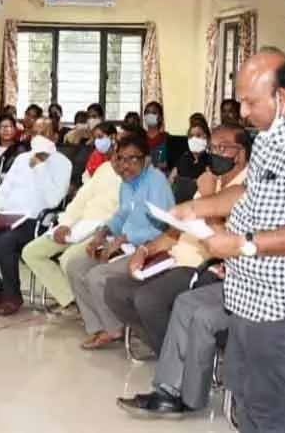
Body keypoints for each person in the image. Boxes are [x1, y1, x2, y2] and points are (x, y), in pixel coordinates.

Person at [171, 50, 285, 433]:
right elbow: (250, 192)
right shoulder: (268, 136)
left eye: (251, 100)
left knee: (270, 403)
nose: (243, 111)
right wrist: (198, 206)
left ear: (281, 96)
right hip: (249, 294)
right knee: (245, 394)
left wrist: (243, 244)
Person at [104, 124, 249, 354]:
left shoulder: (247, 186)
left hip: (205, 266)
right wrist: (146, 250)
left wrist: (209, 197)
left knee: (147, 300)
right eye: (213, 148)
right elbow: (176, 231)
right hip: (176, 257)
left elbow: (225, 238)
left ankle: (178, 361)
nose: (215, 154)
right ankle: (165, 348)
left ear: (240, 153)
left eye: (223, 148)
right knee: (115, 289)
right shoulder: (212, 178)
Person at [65, 130, 174, 350]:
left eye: (132, 159)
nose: (125, 165)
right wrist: (103, 232)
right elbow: (122, 215)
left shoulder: (156, 182)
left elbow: (164, 227)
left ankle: (113, 328)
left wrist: (126, 237)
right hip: (124, 245)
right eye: (121, 159)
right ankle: (99, 325)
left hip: (150, 250)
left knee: (97, 276)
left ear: (145, 158)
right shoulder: (127, 182)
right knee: (75, 266)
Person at [0, 118, 71, 315]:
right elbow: (5, 189)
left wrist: (40, 165)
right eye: (35, 133)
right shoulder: (21, 159)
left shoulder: (63, 164)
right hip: (6, 215)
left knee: (4, 243)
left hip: (35, 220)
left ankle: (13, 296)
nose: (39, 137)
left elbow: (53, 201)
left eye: (45, 133)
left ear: (55, 136)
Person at [22, 121, 120, 315]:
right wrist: (65, 223)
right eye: (96, 138)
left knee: (68, 260)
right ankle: (72, 300)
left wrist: (97, 229)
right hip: (78, 224)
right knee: (31, 252)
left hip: (102, 229)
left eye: (101, 138)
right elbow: (80, 200)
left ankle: (88, 307)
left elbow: (119, 214)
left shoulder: (130, 176)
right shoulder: (103, 168)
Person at [116, 270, 228, 419]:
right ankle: (169, 393)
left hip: (262, 296)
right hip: (238, 284)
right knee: (184, 302)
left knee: (203, 317)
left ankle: (190, 398)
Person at [168, 118, 211, 185]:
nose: (194, 139)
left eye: (198, 135)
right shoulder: (183, 159)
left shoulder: (210, 161)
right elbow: (171, 180)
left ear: (206, 138)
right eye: (191, 136)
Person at [143, 101, 168, 172]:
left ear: (160, 117)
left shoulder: (167, 139)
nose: (150, 115)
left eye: (154, 113)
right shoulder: (139, 139)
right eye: (147, 112)